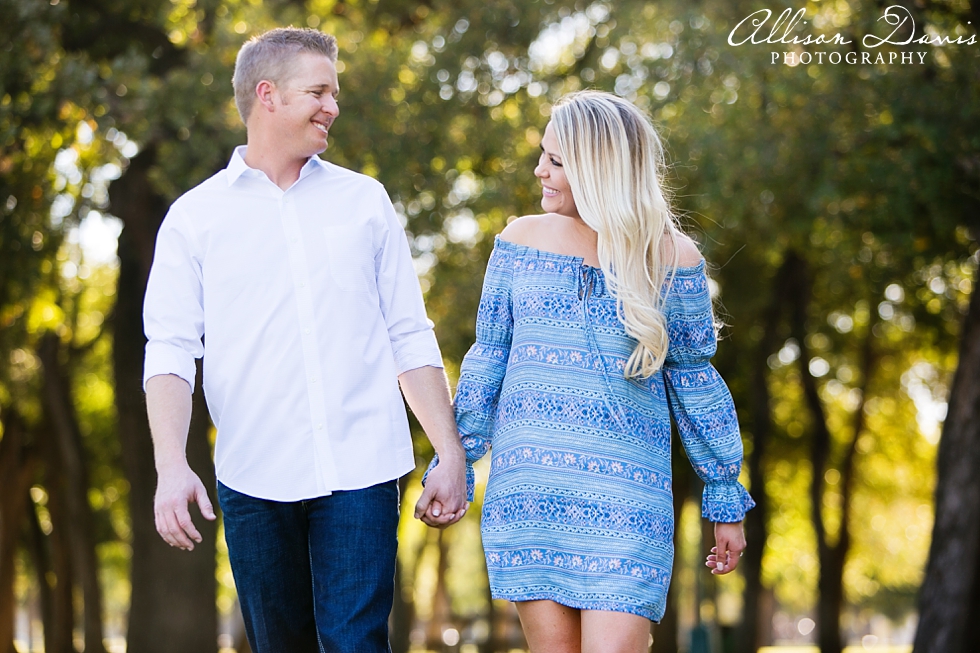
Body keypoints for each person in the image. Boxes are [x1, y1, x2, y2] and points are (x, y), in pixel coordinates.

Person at [142, 27, 466, 653]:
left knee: (355, 643)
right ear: (267, 95)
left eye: (334, 92)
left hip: (363, 468)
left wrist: (447, 451)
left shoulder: (364, 201)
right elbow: (171, 350)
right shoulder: (193, 218)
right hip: (253, 474)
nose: (332, 107)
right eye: (318, 91)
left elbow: (409, 332)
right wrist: (169, 465)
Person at [427, 90, 755, 652]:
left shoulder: (672, 257)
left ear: (599, 169)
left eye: (555, 161)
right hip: (532, 490)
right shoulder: (517, 241)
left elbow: (695, 380)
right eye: (543, 155)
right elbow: (488, 360)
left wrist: (724, 492)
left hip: (629, 499)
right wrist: (457, 458)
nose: (539, 170)